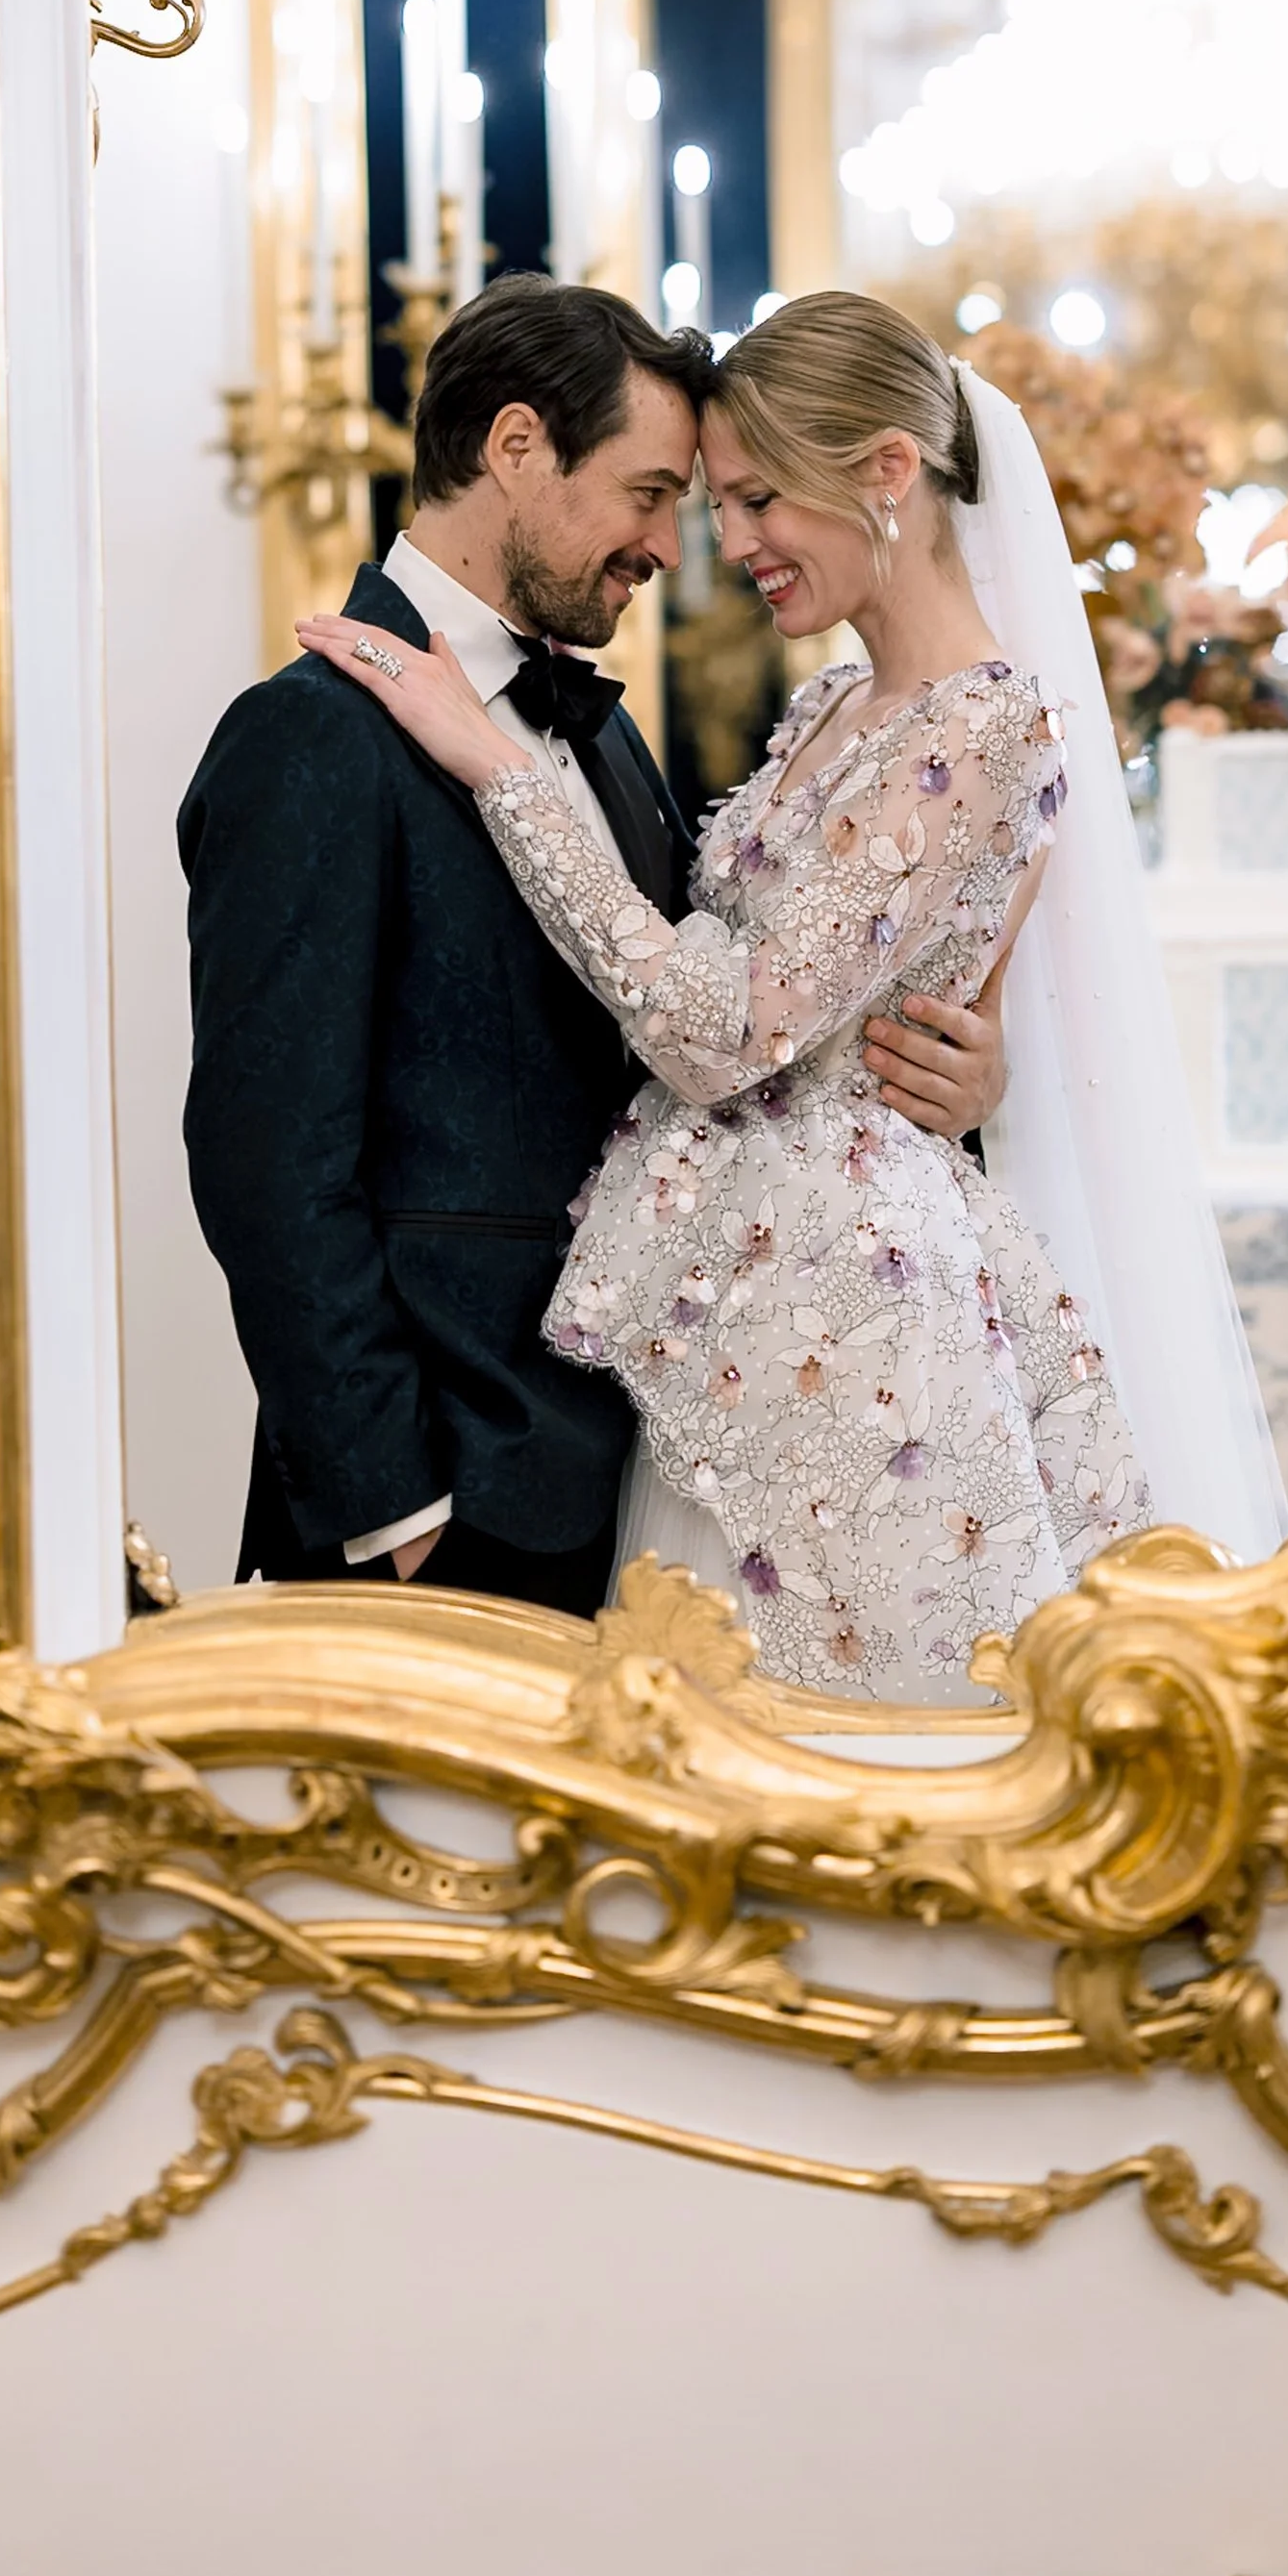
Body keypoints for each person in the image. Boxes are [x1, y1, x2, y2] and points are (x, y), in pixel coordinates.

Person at [298, 289, 1288, 1699]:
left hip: (855, 1321)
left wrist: (500, 765)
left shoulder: (996, 722)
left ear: (888, 471)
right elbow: (782, 967)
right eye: (712, 500)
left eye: (758, 499)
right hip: (722, 1296)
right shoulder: (829, 703)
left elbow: (725, 1026)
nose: (730, 545)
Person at [180, 275, 1010, 1616]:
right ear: (516, 449)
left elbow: (725, 1005)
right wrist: (394, 1502)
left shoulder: (607, 731)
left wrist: (955, 1071)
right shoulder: (310, 734)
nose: (671, 548)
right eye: (648, 493)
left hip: (638, 1469)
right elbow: (267, 1158)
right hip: (440, 1504)